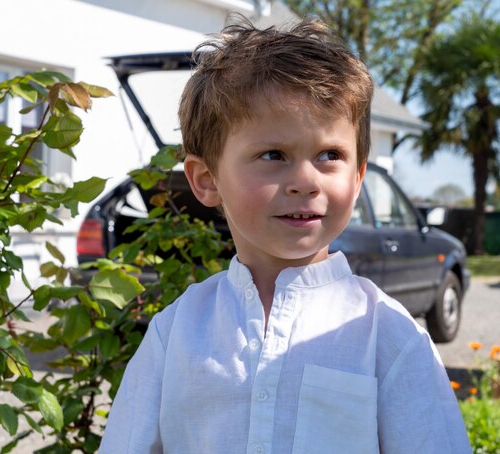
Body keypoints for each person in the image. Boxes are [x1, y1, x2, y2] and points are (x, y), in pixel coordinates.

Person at [100, 17, 472, 454]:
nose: (305, 180)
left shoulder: (387, 335)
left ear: (357, 177)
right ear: (206, 180)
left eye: (329, 155)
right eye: (273, 154)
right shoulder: (175, 334)